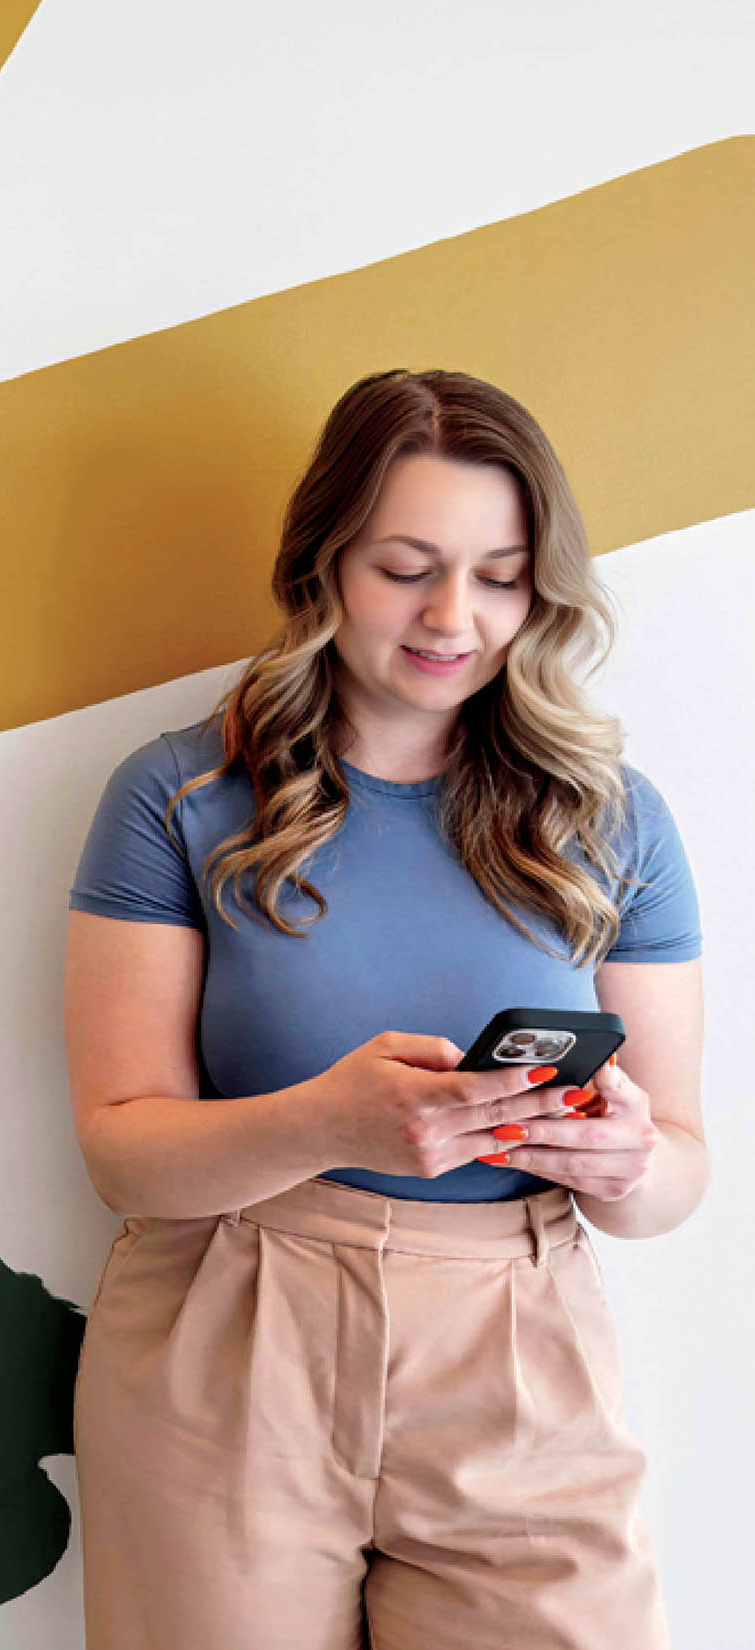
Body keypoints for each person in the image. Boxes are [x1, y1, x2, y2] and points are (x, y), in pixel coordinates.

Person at [63, 368, 706, 1650]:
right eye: (406, 565)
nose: (453, 615)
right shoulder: (179, 796)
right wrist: (327, 1122)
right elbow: (121, 1148)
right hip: (232, 1328)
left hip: (520, 1345)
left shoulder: (613, 820)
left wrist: (628, 1159)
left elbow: (679, 1169)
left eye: (502, 573)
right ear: (326, 564)